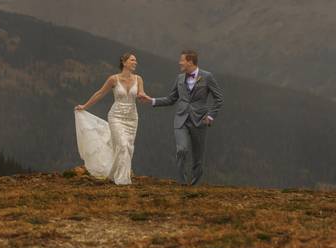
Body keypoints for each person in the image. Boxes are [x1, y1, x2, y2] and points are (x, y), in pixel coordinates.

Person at [137, 49, 223, 186]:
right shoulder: (179, 78)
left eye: (182, 60)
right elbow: (171, 99)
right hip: (180, 120)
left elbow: (219, 98)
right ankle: (183, 184)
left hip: (200, 121)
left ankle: (193, 186)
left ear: (190, 61)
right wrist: (151, 100)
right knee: (182, 149)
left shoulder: (207, 77)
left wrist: (211, 117)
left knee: (198, 159)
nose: (179, 63)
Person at [73, 52, 145, 185]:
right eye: (132, 60)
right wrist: (85, 106)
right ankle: (123, 180)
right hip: (116, 116)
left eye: (136, 61)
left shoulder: (138, 79)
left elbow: (141, 93)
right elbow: (100, 93)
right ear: (124, 62)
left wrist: (145, 98)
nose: (135, 62)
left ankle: (113, 175)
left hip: (132, 118)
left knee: (128, 147)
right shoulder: (113, 79)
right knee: (122, 145)